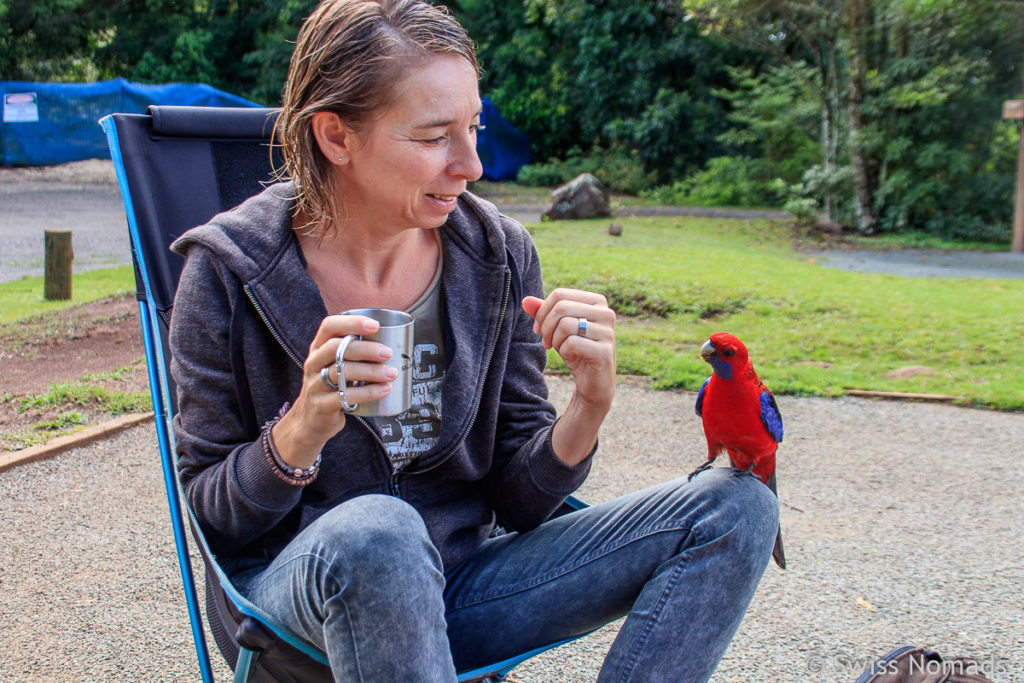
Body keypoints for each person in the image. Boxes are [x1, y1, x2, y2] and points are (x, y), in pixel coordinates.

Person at [169, 0, 779, 680]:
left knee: (737, 506)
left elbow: (520, 503)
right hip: (295, 611)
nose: (472, 164)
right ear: (336, 137)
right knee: (379, 531)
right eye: (435, 137)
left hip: (465, 590)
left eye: (474, 127)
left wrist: (588, 406)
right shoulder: (228, 271)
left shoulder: (497, 253)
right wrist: (301, 431)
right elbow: (215, 518)